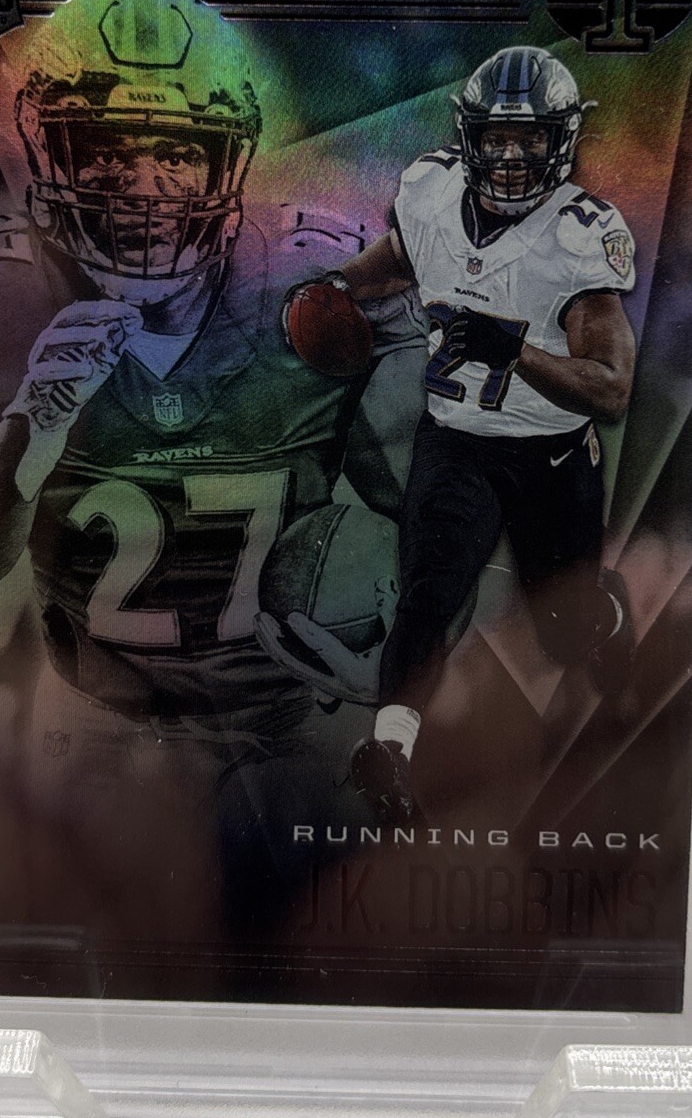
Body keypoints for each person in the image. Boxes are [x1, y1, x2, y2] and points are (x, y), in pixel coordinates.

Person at [0, 0, 421, 947]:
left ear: (229, 163)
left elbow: (438, 521)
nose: (141, 186)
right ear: (49, 154)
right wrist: (32, 424)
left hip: (297, 727)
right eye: (104, 151)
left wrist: (391, 631)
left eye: (178, 154)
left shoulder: (318, 289)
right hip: (86, 738)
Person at [263, 46, 640, 826]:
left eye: (530, 139)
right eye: (496, 138)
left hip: (550, 454)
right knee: (429, 593)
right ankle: (389, 750)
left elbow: (610, 387)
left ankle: (605, 615)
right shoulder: (430, 190)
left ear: (562, 140)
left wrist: (516, 351)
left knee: (565, 632)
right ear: (469, 136)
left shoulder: (579, 234)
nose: (511, 157)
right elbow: (399, 261)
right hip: (458, 437)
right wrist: (337, 288)